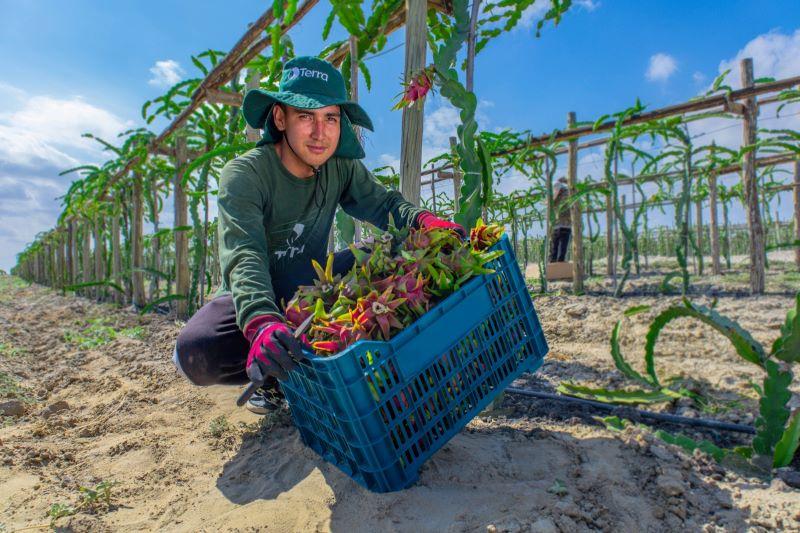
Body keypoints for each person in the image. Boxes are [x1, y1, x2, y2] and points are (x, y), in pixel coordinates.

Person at [172, 56, 464, 414]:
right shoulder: (246, 174)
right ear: (280, 118)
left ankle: (344, 363)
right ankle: (275, 375)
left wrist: (424, 221)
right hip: (254, 293)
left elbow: (383, 204)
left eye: (331, 118)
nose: (320, 132)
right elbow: (244, 255)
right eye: (306, 116)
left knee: (391, 251)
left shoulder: (339, 166)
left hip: (312, 286)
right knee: (196, 353)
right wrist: (262, 322)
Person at [549, 177, 572, 263]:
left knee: (554, 250)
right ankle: (559, 267)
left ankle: (553, 267)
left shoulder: (554, 198)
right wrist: (565, 181)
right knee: (562, 249)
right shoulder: (568, 194)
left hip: (557, 226)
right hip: (565, 226)